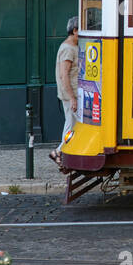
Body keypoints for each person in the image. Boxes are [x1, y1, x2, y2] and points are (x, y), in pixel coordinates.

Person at [50, 17, 80, 163]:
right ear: (75, 31)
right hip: (70, 94)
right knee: (71, 125)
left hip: (72, 93)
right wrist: (72, 97)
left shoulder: (71, 47)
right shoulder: (68, 49)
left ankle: (63, 152)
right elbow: (64, 75)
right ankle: (59, 152)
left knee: (72, 124)